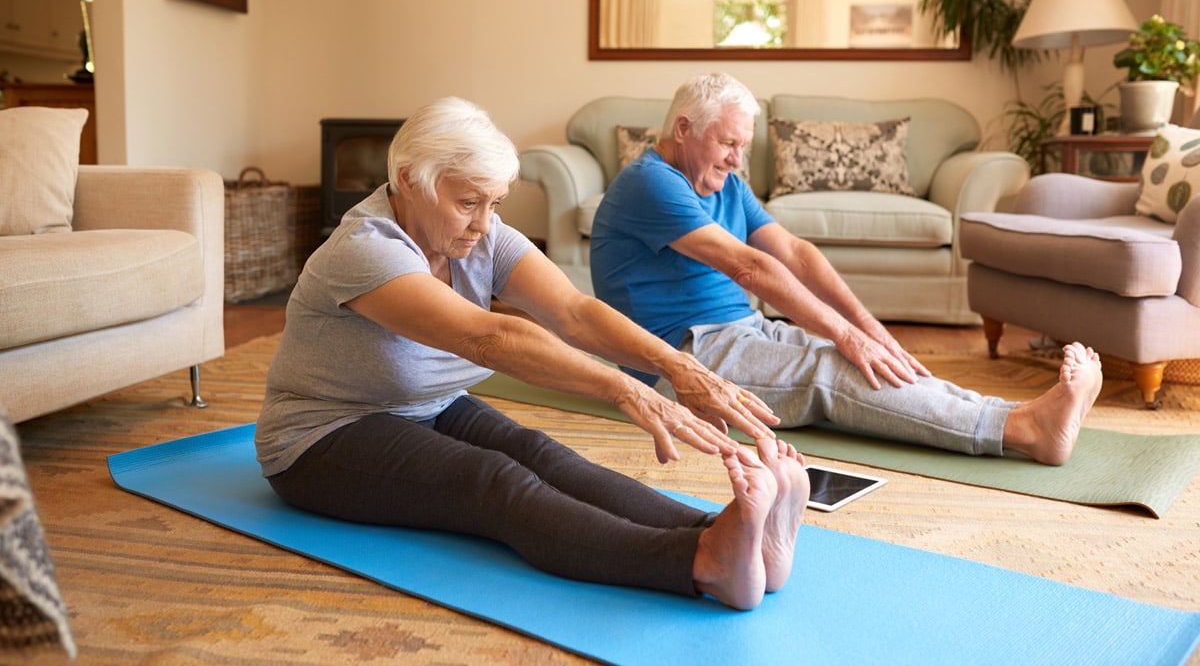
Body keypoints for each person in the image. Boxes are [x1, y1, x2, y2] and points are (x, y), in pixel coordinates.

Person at [254, 96, 810, 611]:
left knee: (542, 454)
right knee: (492, 481)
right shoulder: (366, 250)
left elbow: (573, 311)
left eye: (494, 203)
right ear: (408, 180)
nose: (483, 223)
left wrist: (678, 367)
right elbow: (488, 337)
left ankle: (731, 535)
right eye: (468, 202)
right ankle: (703, 563)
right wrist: (626, 388)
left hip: (425, 405)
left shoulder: (481, 235)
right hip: (323, 436)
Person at [589, 72, 1104, 467]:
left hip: (740, 332)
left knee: (855, 356)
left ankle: (1021, 416)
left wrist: (867, 330)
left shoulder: (723, 183)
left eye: (743, 147)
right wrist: (845, 336)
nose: (737, 160)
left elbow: (794, 252)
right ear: (683, 129)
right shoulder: (651, 183)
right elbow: (750, 267)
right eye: (728, 144)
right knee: (829, 371)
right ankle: (1021, 431)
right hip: (681, 359)